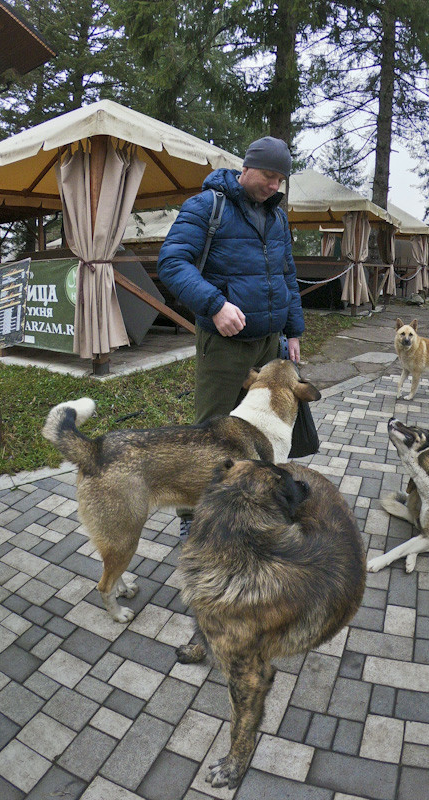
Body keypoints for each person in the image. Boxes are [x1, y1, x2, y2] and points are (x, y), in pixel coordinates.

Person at [157, 136, 305, 536]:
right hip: (223, 345)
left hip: (268, 343)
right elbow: (171, 262)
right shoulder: (208, 205)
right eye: (269, 176)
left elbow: (286, 276)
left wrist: (293, 329)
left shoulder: (277, 217)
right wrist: (214, 305)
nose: (274, 185)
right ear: (246, 168)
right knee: (210, 433)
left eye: (281, 179)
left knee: (257, 434)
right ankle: (193, 518)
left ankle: (247, 505)